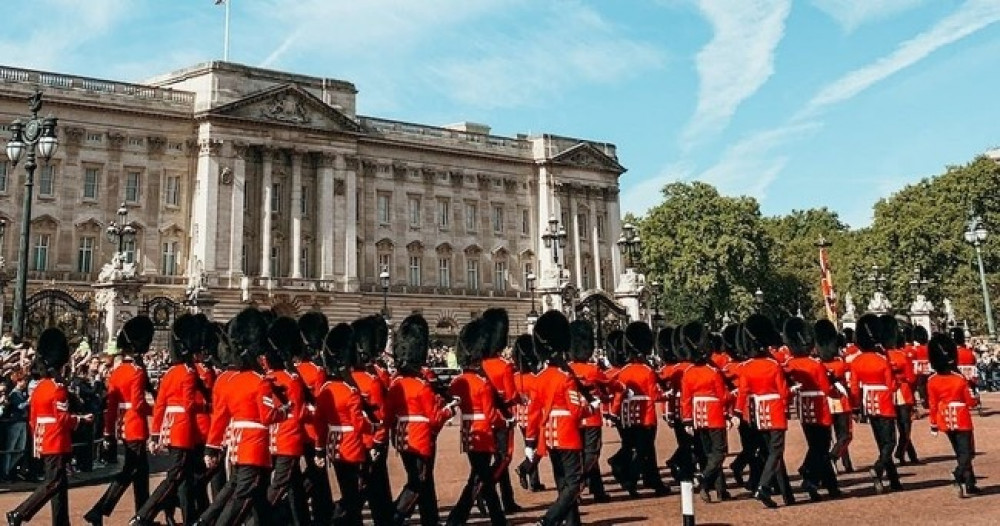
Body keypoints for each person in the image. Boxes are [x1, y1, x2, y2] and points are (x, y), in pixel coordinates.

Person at [203, 308, 287, 525]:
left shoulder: (231, 380)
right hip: (255, 445)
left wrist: (211, 446)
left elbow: (220, 416)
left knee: (258, 499)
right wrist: (284, 412)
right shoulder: (260, 382)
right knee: (243, 497)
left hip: (236, 443)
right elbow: (268, 416)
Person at [7, 328, 93, 526]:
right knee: (52, 482)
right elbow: (63, 419)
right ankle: (19, 513)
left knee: (60, 486)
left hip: (44, 438)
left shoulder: (40, 387)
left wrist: (37, 441)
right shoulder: (57, 389)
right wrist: (81, 420)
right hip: (56, 440)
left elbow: (33, 418)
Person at [130, 313, 207, 526]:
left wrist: (155, 433)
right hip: (183, 429)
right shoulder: (189, 373)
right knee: (174, 476)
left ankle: (185, 516)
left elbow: (161, 404)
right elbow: (190, 405)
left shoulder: (170, 372)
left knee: (182, 477)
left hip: (170, 427)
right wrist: (207, 405)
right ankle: (143, 515)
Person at [525, 311, 598, 526]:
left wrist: (530, 442)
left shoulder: (539, 379)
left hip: (549, 435)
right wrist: (591, 408)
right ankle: (549, 520)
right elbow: (576, 411)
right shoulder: (565, 378)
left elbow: (533, 412)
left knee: (562, 481)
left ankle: (572, 521)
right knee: (574, 483)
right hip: (567, 434)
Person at [385, 314, 458, 526]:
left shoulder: (395, 383)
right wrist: (449, 410)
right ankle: (396, 515)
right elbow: (434, 420)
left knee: (422, 481)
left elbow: (388, 415)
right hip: (421, 439)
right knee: (419, 481)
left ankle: (430, 519)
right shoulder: (421, 385)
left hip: (401, 438)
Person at [84, 316, 155, 526]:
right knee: (130, 472)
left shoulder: (117, 372)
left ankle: (143, 515)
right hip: (136, 425)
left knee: (140, 474)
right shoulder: (137, 372)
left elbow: (111, 407)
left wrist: (109, 432)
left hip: (123, 426)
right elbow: (139, 404)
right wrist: (158, 410)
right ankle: (99, 510)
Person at [445, 317, 506, 526]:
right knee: (483, 480)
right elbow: (491, 415)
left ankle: (465, 517)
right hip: (483, 434)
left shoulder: (458, 382)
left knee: (480, 477)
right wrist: (506, 421)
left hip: (468, 433)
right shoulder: (482, 384)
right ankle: (461, 517)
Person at [313, 323, 376, 525]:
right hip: (351, 445)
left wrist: (319, 450)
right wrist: (372, 434)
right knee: (354, 492)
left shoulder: (325, 390)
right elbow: (358, 423)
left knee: (346, 487)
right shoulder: (351, 392)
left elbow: (319, 424)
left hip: (333, 445)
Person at [735, 314, 792, 508]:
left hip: (757, 413)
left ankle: (786, 493)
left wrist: (737, 412)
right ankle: (764, 487)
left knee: (772, 453)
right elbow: (783, 392)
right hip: (774, 410)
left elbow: (743, 392)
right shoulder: (773, 365)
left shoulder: (746, 367)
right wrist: (788, 403)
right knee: (776, 451)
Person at [782, 318, 840, 500]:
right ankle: (808, 474)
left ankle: (830, 486)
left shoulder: (789, 364)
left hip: (802, 408)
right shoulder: (815, 364)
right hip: (819, 407)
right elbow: (826, 389)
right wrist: (837, 391)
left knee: (816, 445)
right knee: (821, 447)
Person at [615, 321, 671, 497]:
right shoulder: (647, 371)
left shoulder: (623, 371)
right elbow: (654, 395)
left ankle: (652, 480)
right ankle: (629, 478)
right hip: (645, 415)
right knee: (643, 450)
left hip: (628, 415)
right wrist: (667, 395)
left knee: (636, 447)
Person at [848, 313, 902, 494]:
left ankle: (893, 481)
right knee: (890, 442)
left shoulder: (856, 361)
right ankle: (878, 469)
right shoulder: (882, 360)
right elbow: (892, 386)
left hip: (868, 403)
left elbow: (854, 388)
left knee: (882, 442)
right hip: (884, 401)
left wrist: (855, 407)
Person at [678, 321, 731, 503]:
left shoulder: (688, 372)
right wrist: (729, 412)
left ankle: (718, 489)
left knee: (709, 454)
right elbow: (723, 396)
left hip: (697, 415)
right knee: (720, 452)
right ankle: (703, 478)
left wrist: (686, 420)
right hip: (714, 413)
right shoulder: (713, 371)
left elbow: (685, 399)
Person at [263, 317, 308, 525]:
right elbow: (298, 414)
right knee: (279, 486)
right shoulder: (292, 380)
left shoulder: (269, 377)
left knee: (294, 485)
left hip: (271, 437)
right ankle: (256, 518)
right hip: (288, 438)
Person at [350, 314, 394, 526]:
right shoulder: (374, 376)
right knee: (369, 481)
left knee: (372, 481)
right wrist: (378, 440)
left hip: (356, 435)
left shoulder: (354, 375)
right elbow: (383, 411)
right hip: (371, 435)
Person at [926, 333, 981, 497]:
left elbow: (933, 404)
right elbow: (969, 402)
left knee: (959, 452)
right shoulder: (958, 379)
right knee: (968, 453)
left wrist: (933, 423)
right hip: (961, 417)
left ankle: (969, 483)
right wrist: (975, 400)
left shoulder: (932, 380)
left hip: (944, 418)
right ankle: (958, 475)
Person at [478, 308, 522, 513]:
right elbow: (511, 396)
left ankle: (508, 500)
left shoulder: (481, 364)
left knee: (496, 458)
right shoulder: (504, 366)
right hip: (503, 417)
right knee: (504, 458)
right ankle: (483, 490)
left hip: (484, 418)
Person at [295, 311, 335, 525]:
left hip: (294, 429)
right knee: (317, 474)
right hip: (312, 430)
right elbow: (320, 406)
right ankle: (323, 512)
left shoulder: (295, 369)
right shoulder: (317, 371)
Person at [567, 320, 613, 503]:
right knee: (591, 454)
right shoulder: (592, 370)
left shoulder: (567, 370)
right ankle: (577, 486)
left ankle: (598, 490)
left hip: (575, 416)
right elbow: (610, 384)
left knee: (580, 453)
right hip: (591, 417)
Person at [815, 320, 853, 473]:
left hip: (824, 402)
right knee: (844, 435)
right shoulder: (840, 363)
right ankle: (833, 457)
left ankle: (846, 463)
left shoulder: (818, 364)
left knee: (831, 437)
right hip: (840, 401)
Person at [881, 317, 919, 465]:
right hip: (902, 392)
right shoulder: (902, 356)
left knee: (894, 428)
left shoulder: (882, 355)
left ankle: (907, 455)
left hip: (887, 394)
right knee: (905, 427)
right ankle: (900, 452)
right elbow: (911, 378)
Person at [1, 373, 28, 483]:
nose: (25, 383)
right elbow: (19, 406)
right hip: (15, 423)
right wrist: (29, 401)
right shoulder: (14, 394)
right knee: (10, 449)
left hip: (22, 422)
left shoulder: (21, 393)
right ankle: (5, 473)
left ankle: (8, 470)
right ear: (18, 381)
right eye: (23, 381)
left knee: (20, 450)